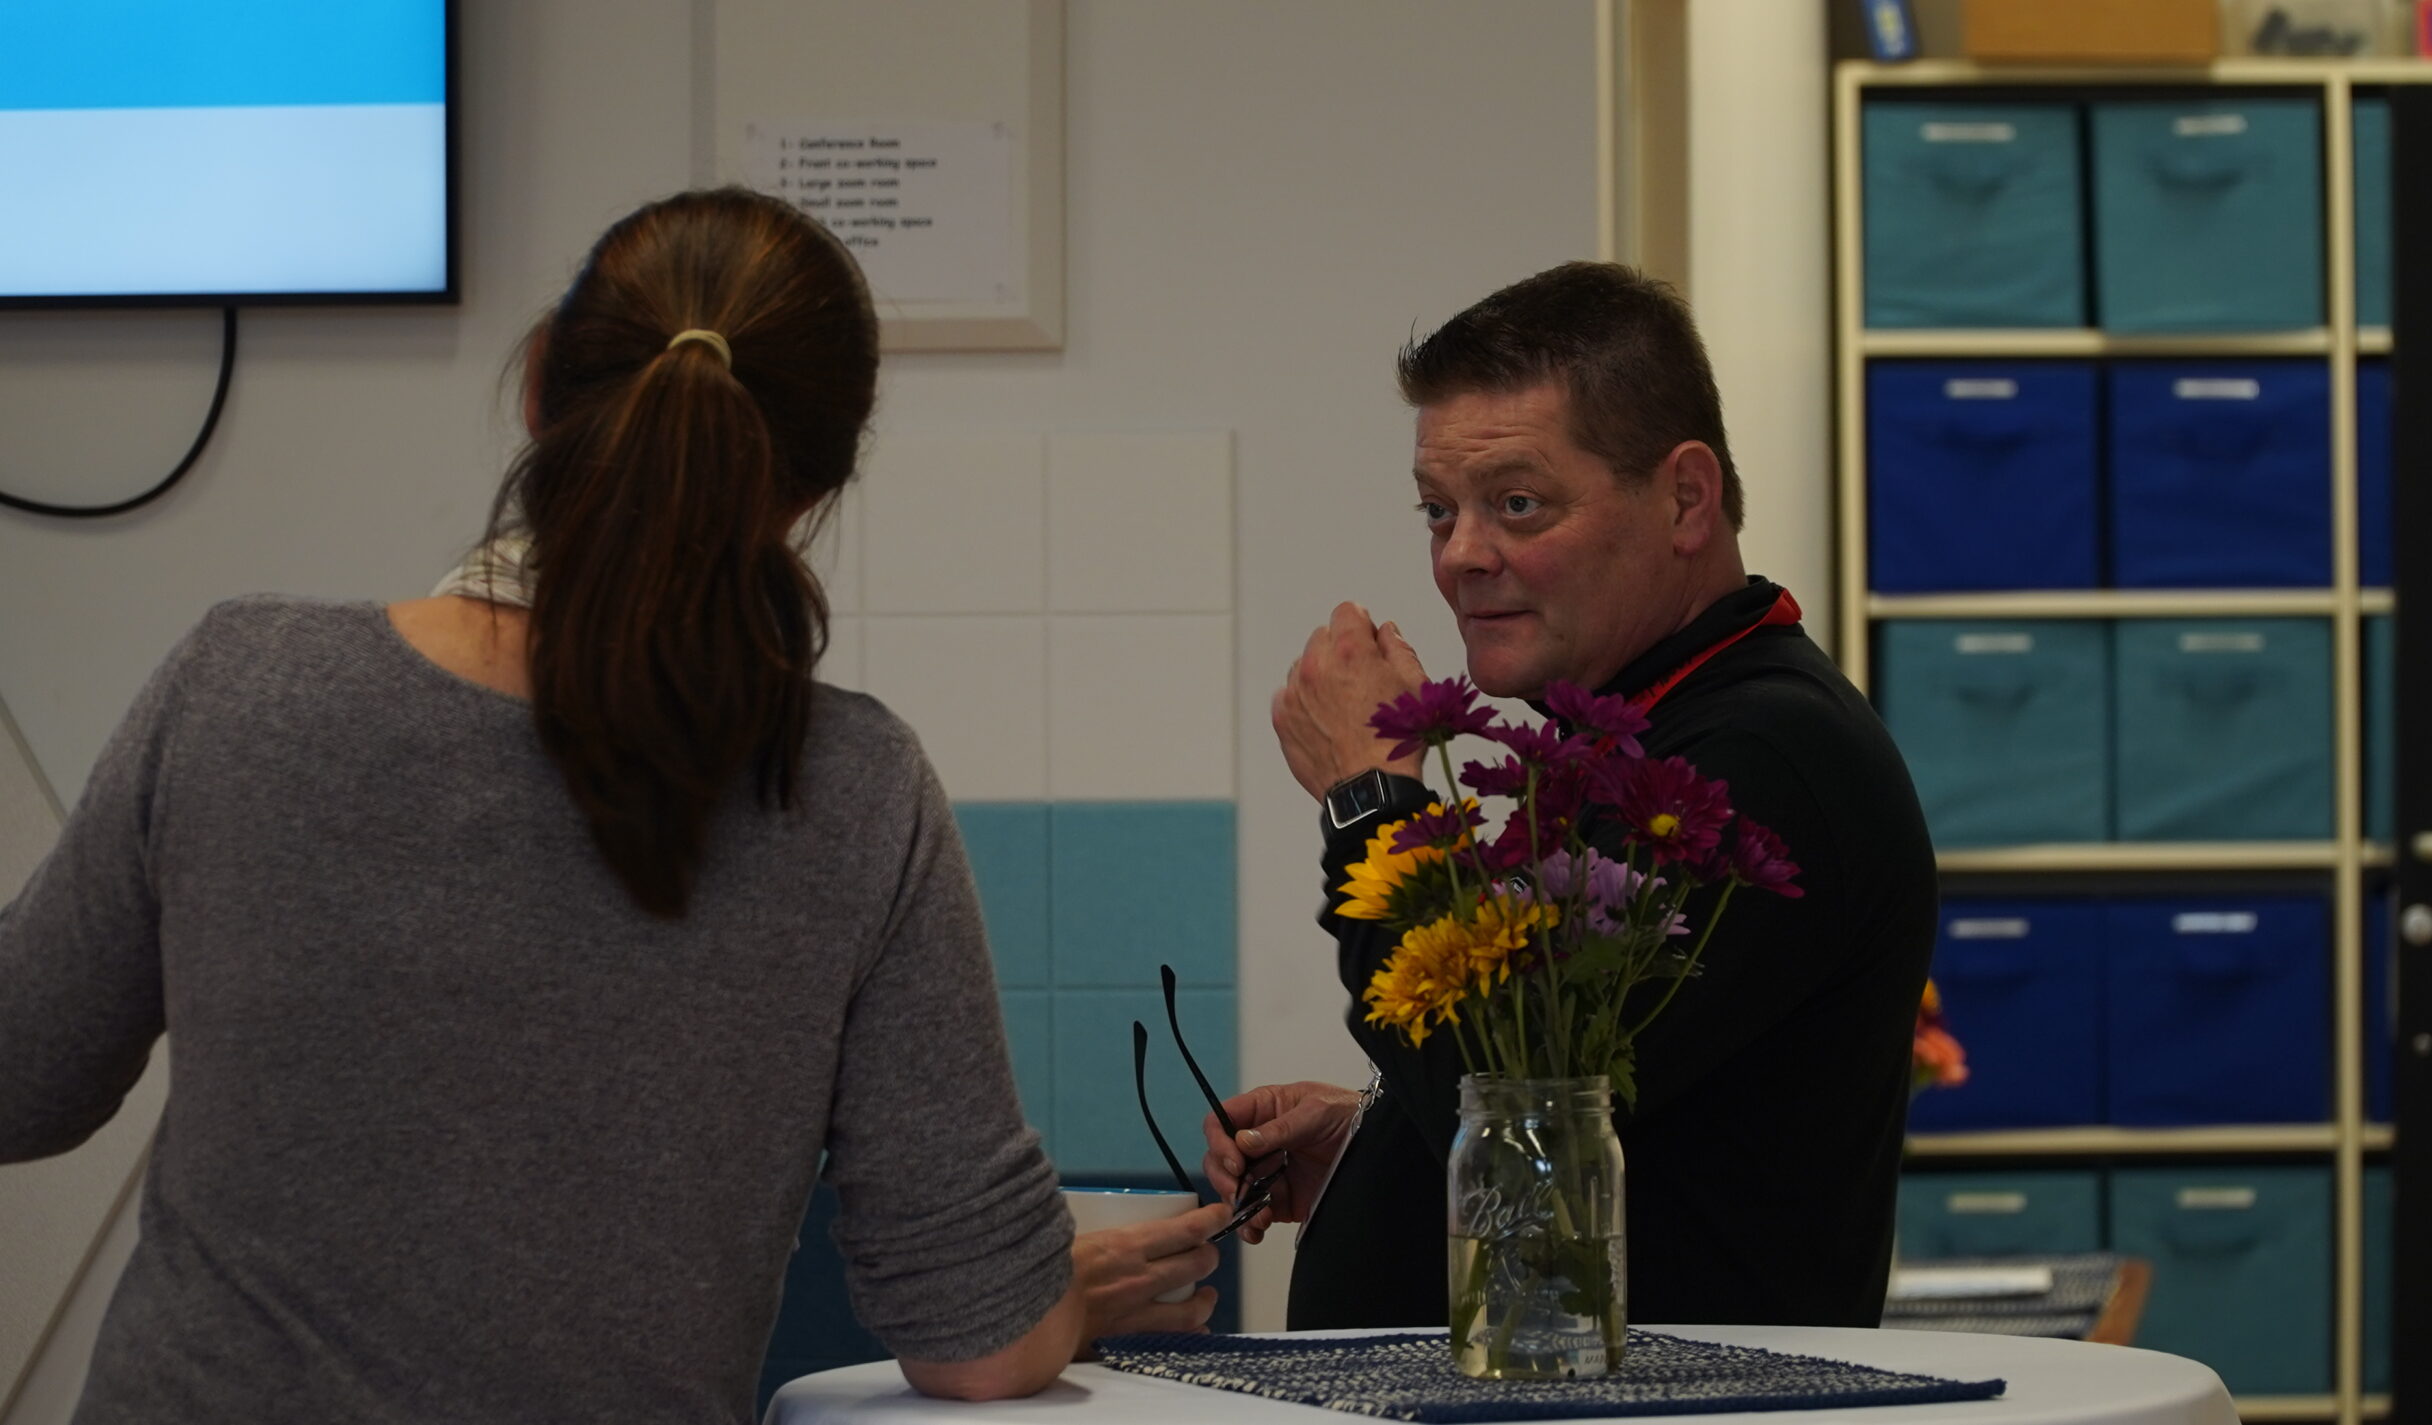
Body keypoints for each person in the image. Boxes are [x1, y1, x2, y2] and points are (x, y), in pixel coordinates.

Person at [0, 187, 1219, 1424]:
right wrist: (1047, 1294)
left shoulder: (242, 684)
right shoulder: (850, 789)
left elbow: (16, 1077)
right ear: (811, 483)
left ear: (538, 388)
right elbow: (981, 1348)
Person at [1205, 262, 1936, 1330]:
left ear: (1685, 498)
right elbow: (1585, 1082)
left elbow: (1515, 1110)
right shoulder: (1652, 726)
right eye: (1437, 510)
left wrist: (1370, 795)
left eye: (1516, 503)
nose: (1460, 556)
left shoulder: (1756, 755)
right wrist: (1385, 1142)